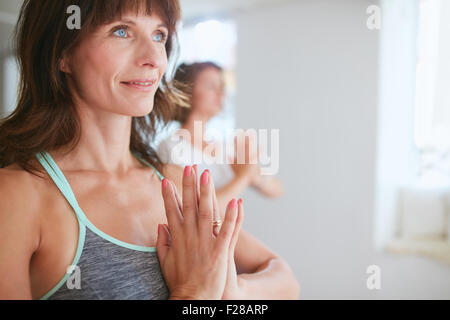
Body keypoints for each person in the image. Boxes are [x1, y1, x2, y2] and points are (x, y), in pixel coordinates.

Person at [0, 0, 300, 300]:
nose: (154, 58)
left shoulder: (172, 180)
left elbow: (285, 280)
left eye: (159, 35)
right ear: (62, 53)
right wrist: (193, 295)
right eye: (121, 31)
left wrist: (231, 292)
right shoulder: (16, 195)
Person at [158, 62, 284, 213]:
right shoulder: (170, 147)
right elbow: (202, 211)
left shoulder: (222, 146)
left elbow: (277, 190)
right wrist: (244, 175)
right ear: (187, 92)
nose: (220, 93)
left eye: (222, 87)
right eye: (211, 86)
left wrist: (253, 175)